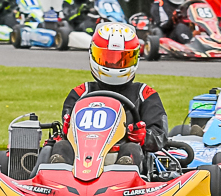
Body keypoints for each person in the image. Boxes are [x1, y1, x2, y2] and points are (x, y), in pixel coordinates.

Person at [55, 23, 164, 165]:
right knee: (60, 147)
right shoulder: (80, 93)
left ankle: (125, 172)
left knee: (131, 149)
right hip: (82, 157)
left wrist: (144, 137)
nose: (114, 65)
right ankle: (54, 177)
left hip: (125, 156)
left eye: (122, 59)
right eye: (108, 58)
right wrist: (66, 130)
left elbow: (160, 136)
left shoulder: (145, 94)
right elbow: (66, 130)